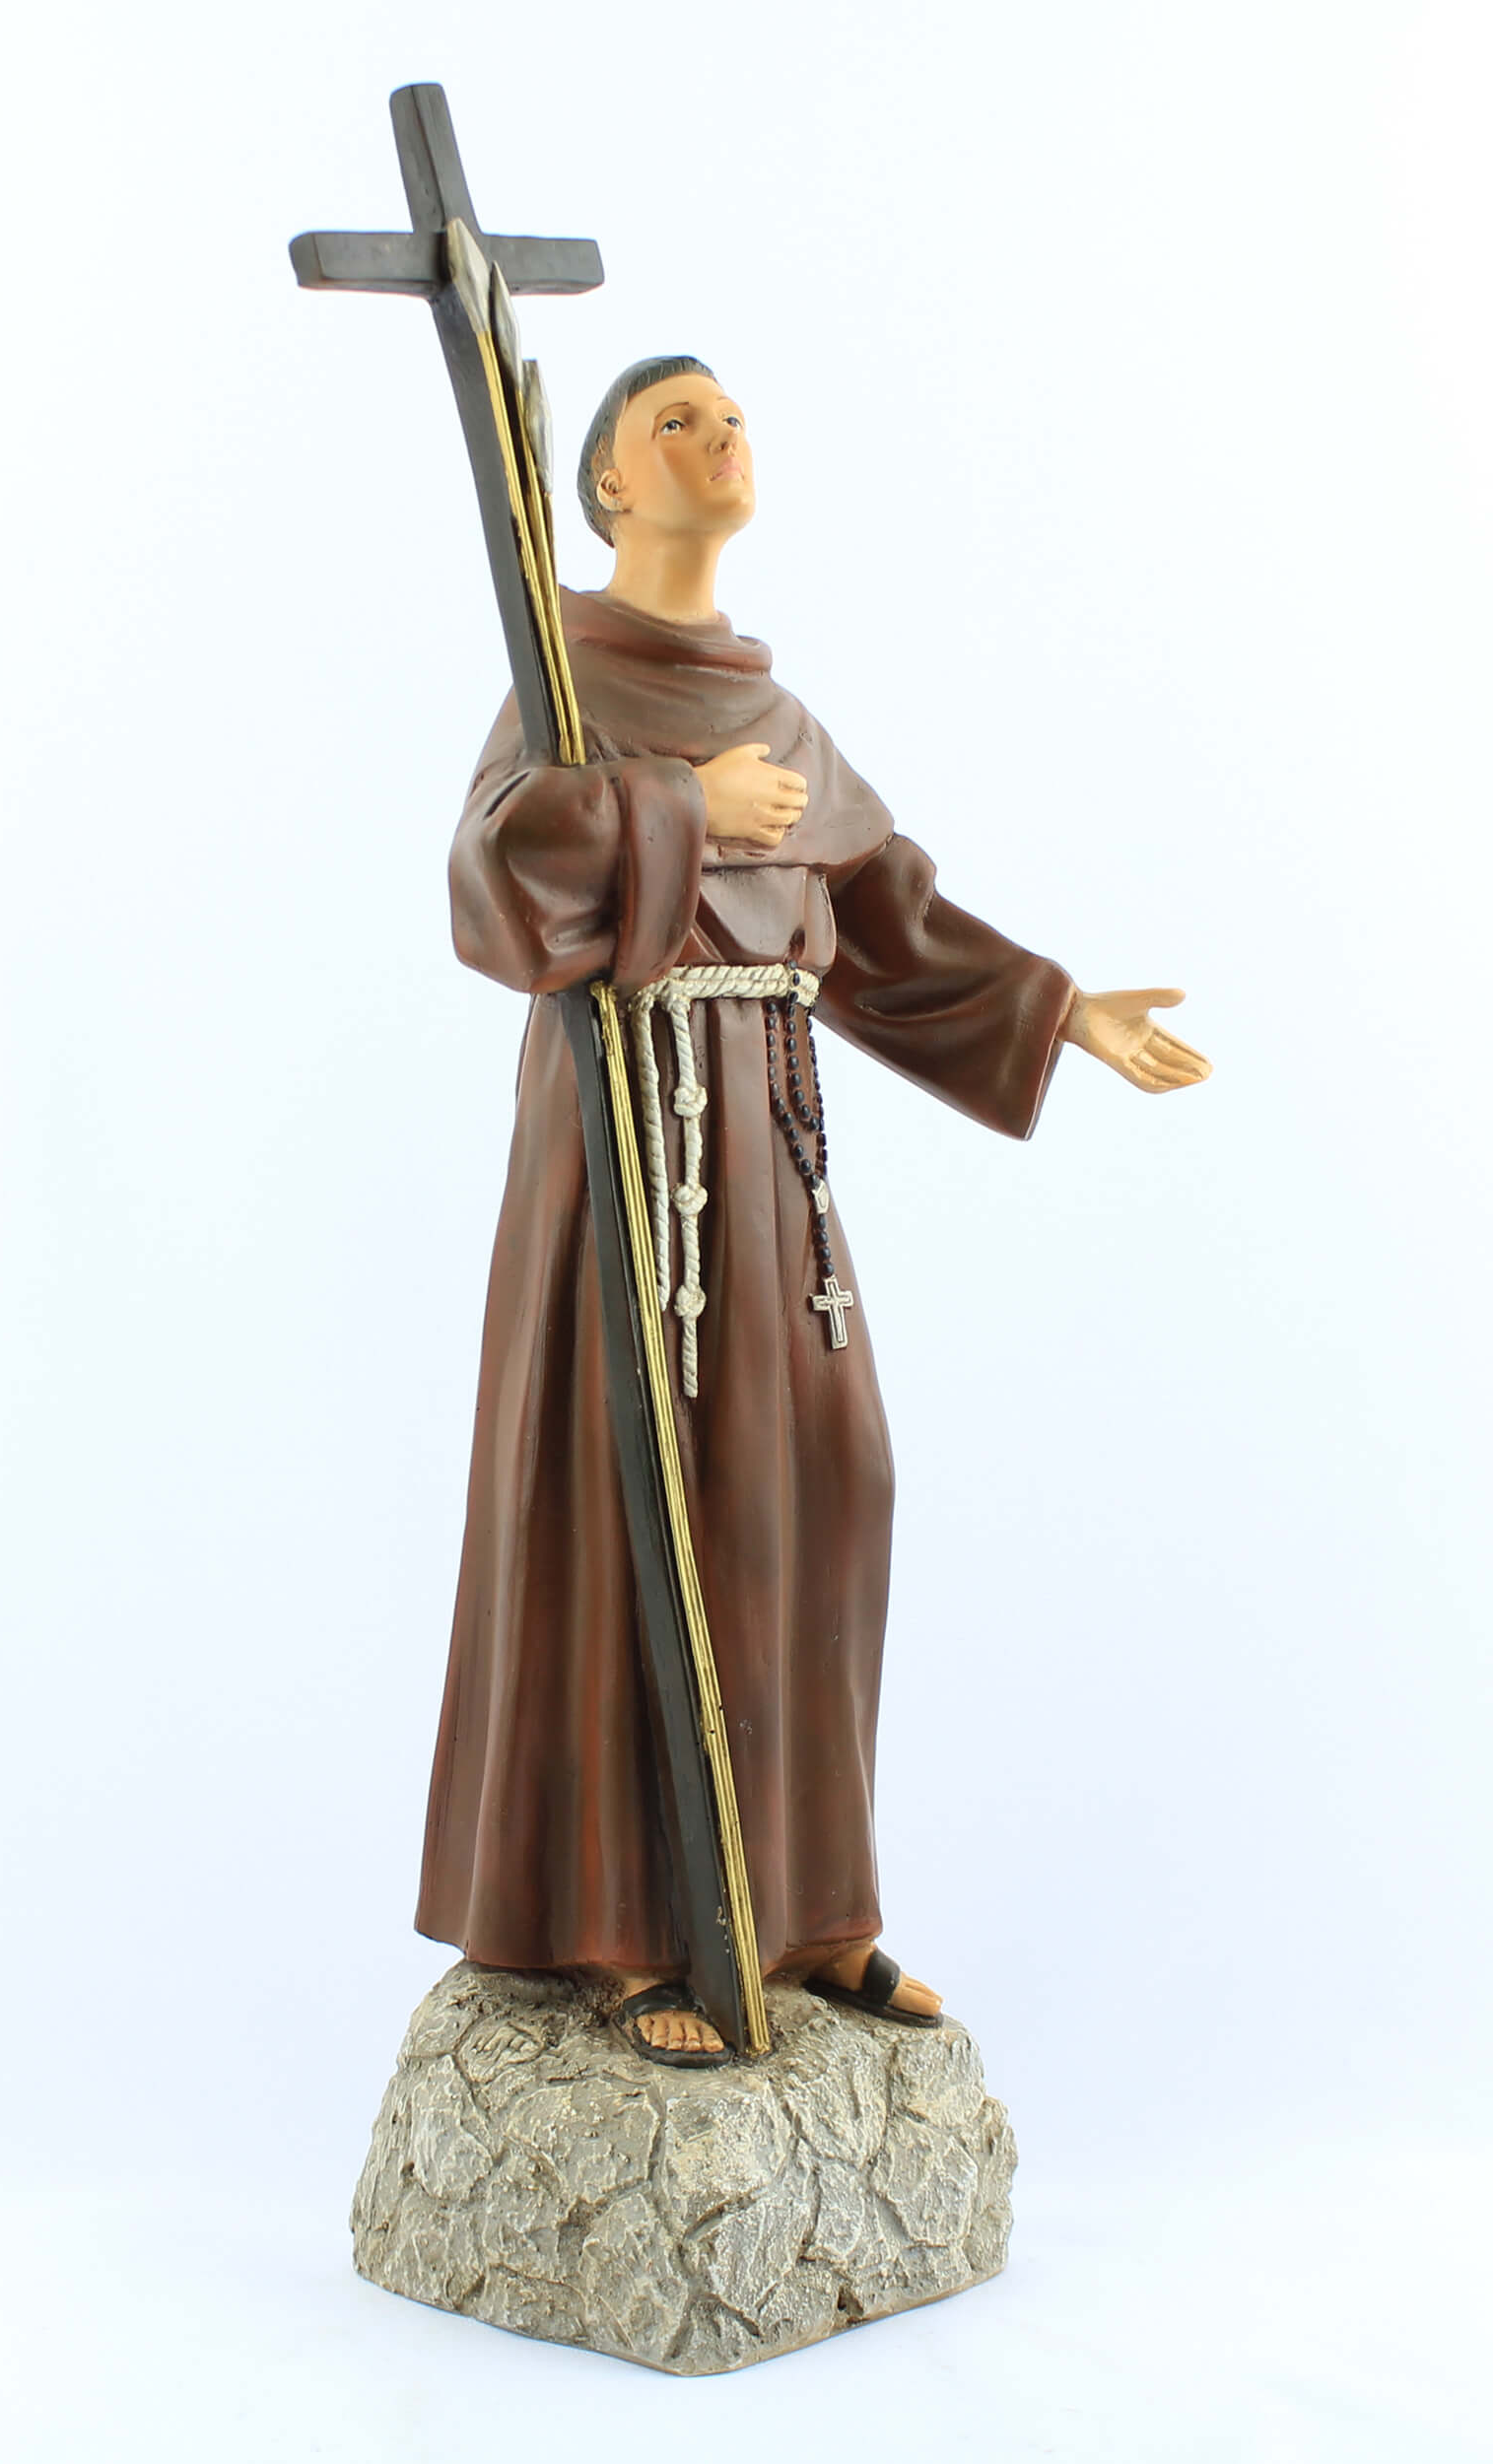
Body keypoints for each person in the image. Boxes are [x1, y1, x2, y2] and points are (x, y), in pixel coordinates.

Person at [416, 356, 1209, 2062]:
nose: (722, 439)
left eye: (733, 418)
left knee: (828, 1488)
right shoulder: (566, 680)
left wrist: (1064, 1011)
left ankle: (807, 1908)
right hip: (626, 1146)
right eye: (676, 423)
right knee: (635, 1499)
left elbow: (886, 918)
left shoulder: (777, 715)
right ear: (607, 485)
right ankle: (626, 1928)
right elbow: (495, 882)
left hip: (772, 1153)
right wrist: (678, 808)